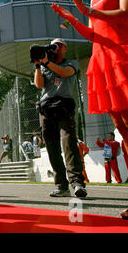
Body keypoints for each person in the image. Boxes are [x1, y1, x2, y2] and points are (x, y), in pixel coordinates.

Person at [51, 0, 128, 219]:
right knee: (120, 125)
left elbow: (125, 15)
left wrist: (89, 12)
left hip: (123, 54)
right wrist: (74, 17)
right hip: (103, 59)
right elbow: (95, 36)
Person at [33, 38, 87, 198]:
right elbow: (39, 85)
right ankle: (61, 186)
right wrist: (37, 65)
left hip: (64, 105)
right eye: (53, 47)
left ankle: (77, 183)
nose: (55, 49)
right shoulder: (44, 66)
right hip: (46, 107)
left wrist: (46, 62)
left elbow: (65, 73)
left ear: (64, 48)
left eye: (58, 46)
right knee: (52, 147)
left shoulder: (71, 62)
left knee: (69, 142)